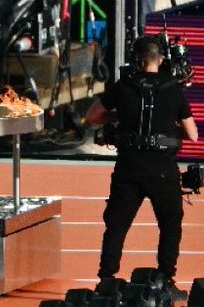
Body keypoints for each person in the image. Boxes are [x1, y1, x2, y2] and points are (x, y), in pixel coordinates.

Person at [84, 35, 198, 286]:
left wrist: (120, 118)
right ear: (162, 58)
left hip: (129, 166)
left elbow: (92, 115)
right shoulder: (173, 88)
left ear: (137, 59)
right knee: (170, 223)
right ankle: (166, 276)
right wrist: (166, 129)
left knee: (116, 224)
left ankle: (106, 277)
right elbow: (193, 134)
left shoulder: (123, 85)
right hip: (163, 169)